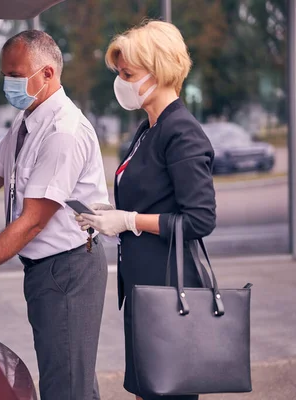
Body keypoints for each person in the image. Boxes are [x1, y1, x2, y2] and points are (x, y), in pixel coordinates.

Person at [0, 30, 109, 400]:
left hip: (69, 270)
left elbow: (33, 221)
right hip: (46, 271)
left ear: (48, 74)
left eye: (16, 75)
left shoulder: (63, 133)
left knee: (65, 388)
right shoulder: (27, 121)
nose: (9, 84)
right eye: (5, 75)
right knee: (71, 379)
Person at [75, 20, 217, 400]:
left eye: (127, 74)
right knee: (148, 391)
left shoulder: (181, 132)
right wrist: (110, 214)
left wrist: (128, 221)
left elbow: (200, 219)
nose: (120, 82)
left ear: (158, 71)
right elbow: (150, 199)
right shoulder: (147, 129)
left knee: (166, 391)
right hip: (143, 288)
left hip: (169, 292)